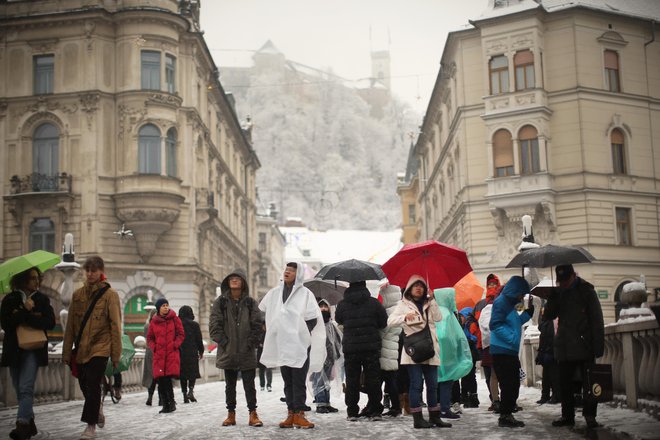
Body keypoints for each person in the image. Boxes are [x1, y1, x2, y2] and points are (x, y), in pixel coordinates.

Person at [258, 262, 326, 429]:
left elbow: (312, 317)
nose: (287, 272)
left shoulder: (305, 294)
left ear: (299, 274)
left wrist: (301, 333)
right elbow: (264, 311)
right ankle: (290, 413)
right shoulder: (274, 293)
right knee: (287, 380)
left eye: (292, 270)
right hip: (281, 343)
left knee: (298, 380)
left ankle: (299, 414)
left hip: (299, 345)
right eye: (286, 270)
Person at [62, 256, 122, 440]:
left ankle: (90, 427)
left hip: (101, 347)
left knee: (94, 383)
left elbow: (115, 325)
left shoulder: (110, 295)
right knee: (85, 385)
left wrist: (115, 354)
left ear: (101, 271)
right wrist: (66, 352)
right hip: (81, 349)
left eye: (94, 270)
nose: (90, 274)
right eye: (87, 270)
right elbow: (70, 326)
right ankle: (97, 410)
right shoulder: (77, 295)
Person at [545, 264, 604, 429]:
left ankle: (590, 416)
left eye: (565, 280)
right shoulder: (558, 294)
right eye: (560, 281)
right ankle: (567, 416)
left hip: (584, 345)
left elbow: (597, 320)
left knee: (589, 384)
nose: (563, 283)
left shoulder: (587, 291)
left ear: (573, 276)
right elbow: (548, 316)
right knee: (564, 385)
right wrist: (552, 298)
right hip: (564, 346)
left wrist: (598, 346)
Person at [388, 275, 451, 429]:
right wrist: (404, 316)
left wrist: (433, 299)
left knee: (432, 385)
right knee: (416, 385)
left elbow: (438, 317)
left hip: (430, 349)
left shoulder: (429, 303)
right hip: (413, 351)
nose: (418, 288)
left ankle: (435, 417)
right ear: (409, 288)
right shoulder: (403, 304)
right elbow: (390, 321)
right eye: (415, 285)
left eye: (421, 286)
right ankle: (418, 419)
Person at [1, 267, 55, 440]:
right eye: (32, 278)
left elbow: (50, 322)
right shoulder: (10, 299)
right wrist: (24, 309)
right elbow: (6, 324)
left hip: (34, 349)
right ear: (23, 279)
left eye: (37, 278)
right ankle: (30, 423)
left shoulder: (42, 299)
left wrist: (27, 315)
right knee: (19, 389)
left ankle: (22, 424)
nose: (37, 281)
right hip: (14, 350)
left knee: (26, 388)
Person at [209, 269, 263, 427]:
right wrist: (225, 343)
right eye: (231, 278)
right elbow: (214, 325)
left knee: (249, 385)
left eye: (237, 278)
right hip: (228, 351)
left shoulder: (250, 302)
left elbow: (258, 325)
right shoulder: (221, 302)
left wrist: (250, 343)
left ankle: (253, 414)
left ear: (243, 282)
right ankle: (230, 414)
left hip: (246, 352)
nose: (234, 280)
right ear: (227, 282)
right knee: (230, 385)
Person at [335, 280, 387, 421]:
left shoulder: (342, 304)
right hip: (371, 347)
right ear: (364, 285)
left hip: (351, 348)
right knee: (373, 379)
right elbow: (383, 322)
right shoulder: (374, 303)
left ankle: (352, 412)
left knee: (352, 380)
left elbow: (338, 319)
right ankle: (375, 410)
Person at [489, 275, 532, 428]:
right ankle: (505, 416)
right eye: (522, 293)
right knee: (509, 384)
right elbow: (495, 324)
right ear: (515, 290)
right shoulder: (501, 302)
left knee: (513, 384)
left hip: (510, 351)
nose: (522, 296)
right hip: (502, 350)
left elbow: (517, 321)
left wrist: (528, 313)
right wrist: (512, 339)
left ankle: (507, 414)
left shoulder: (514, 303)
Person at [433, 288, 473, 420]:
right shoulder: (446, 313)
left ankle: (437, 408)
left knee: (437, 381)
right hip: (446, 353)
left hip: (438, 353)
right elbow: (445, 334)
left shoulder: (437, 311)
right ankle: (444, 408)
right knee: (446, 381)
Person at [147, 297, 184, 414]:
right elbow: (150, 338)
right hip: (159, 355)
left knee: (167, 379)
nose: (166, 307)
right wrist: (154, 347)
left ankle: (171, 403)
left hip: (170, 354)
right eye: (163, 306)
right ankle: (165, 404)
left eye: (167, 305)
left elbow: (181, 334)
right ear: (158, 308)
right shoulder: (154, 321)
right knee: (160, 380)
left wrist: (175, 344)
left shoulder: (174, 319)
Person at [311, 298, 342, 414]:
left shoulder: (331, 325)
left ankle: (326, 403)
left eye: (325, 306)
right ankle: (320, 404)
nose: (323, 308)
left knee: (327, 381)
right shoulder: (314, 323)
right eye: (321, 306)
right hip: (318, 357)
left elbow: (337, 340)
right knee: (318, 380)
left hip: (330, 357)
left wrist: (335, 355)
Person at [477, 274, 502, 412]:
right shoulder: (481, 304)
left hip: (499, 343)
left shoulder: (502, 301)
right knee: (489, 375)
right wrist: (475, 330)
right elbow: (472, 319)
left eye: (494, 284)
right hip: (485, 344)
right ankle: (495, 400)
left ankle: (503, 399)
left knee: (500, 374)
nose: (492, 286)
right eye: (489, 284)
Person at [378, 283, 403, 418]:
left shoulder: (390, 311)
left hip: (386, 349)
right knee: (390, 380)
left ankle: (395, 407)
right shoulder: (397, 309)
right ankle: (395, 407)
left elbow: (384, 329)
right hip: (392, 349)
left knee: (388, 381)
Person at [178, 305, 204, 404]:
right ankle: (191, 390)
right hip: (192, 352)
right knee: (192, 373)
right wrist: (201, 351)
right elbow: (199, 340)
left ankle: (184, 394)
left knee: (183, 374)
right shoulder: (195, 325)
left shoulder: (178, 325)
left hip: (181, 352)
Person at [536, 305, 560, 405]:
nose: (542, 313)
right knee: (546, 375)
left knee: (554, 375)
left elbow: (553, 336)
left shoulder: (554, 320)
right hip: (545, 351)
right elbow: (542, 334)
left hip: (552, 351)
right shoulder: (545, 322)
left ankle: (555, 395)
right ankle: (545, 395)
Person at [141, 309, 159, 406]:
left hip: (149, 352)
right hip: (158, 352)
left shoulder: (147, 326)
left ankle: (150, 397)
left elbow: (146, 338)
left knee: (150, 376)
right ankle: (161, 399)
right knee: (160, 376)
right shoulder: (160, 325)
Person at [256, 317, 273, 392]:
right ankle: (262, 384)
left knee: (269, 370)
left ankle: (269, 385)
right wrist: (259, 344)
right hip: (261, 354)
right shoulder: (259, 334)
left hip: (268, 354)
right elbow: (256, 343)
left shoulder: (269, 333)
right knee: (261, 371)